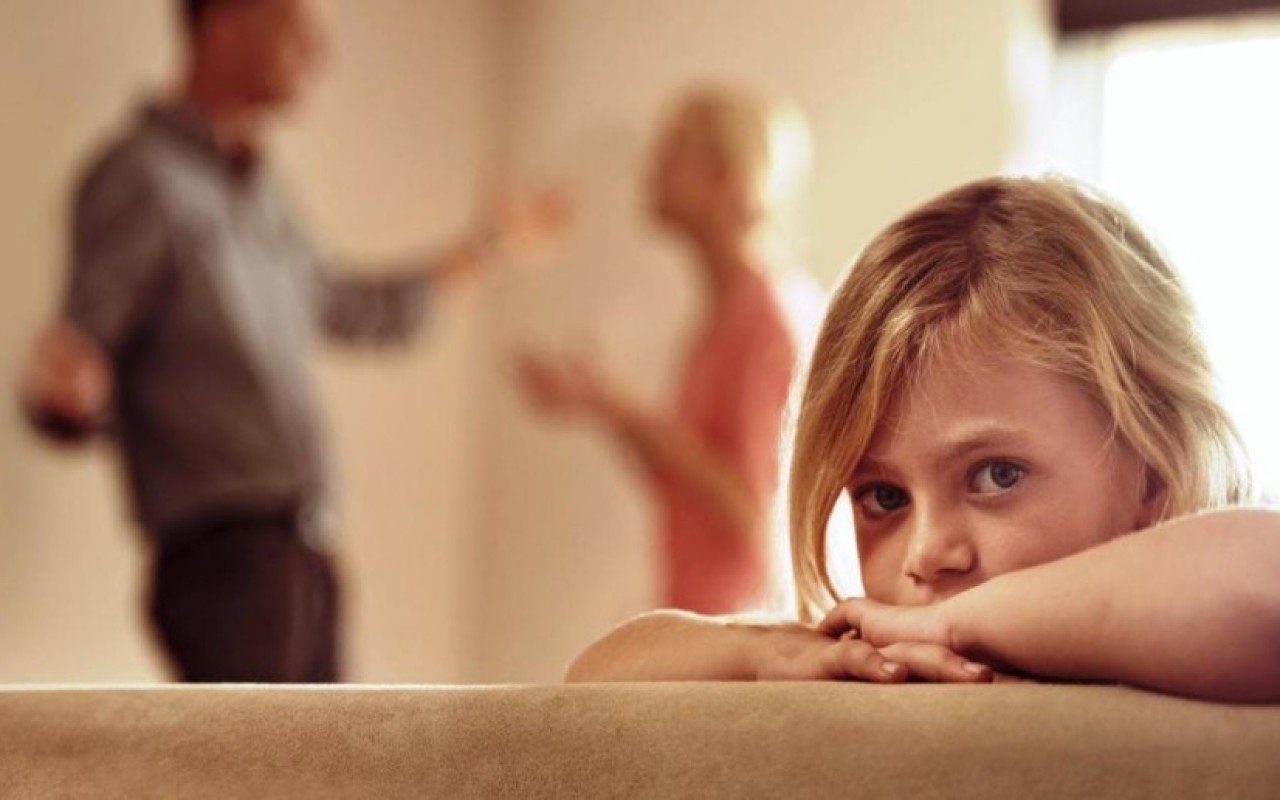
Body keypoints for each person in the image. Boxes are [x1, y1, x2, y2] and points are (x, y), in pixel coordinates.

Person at [565, 175, 1280, 704]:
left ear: (1153, 478)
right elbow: (594, 679)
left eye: (996, 476)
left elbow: (1260, 577)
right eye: (883, 497)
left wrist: (959, 624)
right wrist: (768, 650)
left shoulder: (1193, 639)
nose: (926, 553)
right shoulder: (877, 661)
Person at [19, 0, 563, 682]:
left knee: (338, 754)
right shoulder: (139, 176)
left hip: (303, 556)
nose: (318, 56)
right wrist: (64, 402)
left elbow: (352, 308)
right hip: (224, 562)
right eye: (297, 32)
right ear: (226, 23)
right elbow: (78, 366)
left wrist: (487, 249)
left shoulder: (265, 198)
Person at [516, 87, 809, 614]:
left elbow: (753, 509)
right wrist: (602, 405)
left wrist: (621, 409)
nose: (651, 168)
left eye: (674, 150)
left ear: (729, 180)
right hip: (701, 612)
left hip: (737, 626)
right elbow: (685, 483)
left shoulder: (768, 319)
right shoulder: (723, 312)